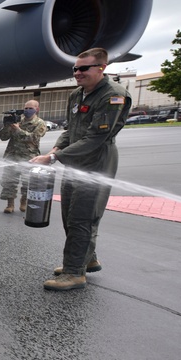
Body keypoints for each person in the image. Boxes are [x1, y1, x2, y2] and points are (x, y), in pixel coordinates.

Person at [30, 47, 132, 291]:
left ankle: (74, 272)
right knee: (70, 215)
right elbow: (70, 130)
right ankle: (87, 259)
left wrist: (55, 158)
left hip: (97, 161)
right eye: (75, 68)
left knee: (82, 218)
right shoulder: (77, 94)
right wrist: (54, 151)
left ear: (101, 68)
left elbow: (96, 137)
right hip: (74, 160)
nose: (77, 72)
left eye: (83, 68)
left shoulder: (113, 95)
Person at [0, 99, 46, 213]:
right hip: (12, 155)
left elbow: (34, 138)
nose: (27, 110)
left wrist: (18, 130)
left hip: (29, 157)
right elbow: (3, 137)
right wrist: (7, 126)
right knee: (9, 181)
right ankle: (10, 204)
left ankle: (24, 201)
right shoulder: (18, 120)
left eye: (30, 108)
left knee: (27, 182)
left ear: (36, 109)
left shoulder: (40, 123)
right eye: (26, 108)